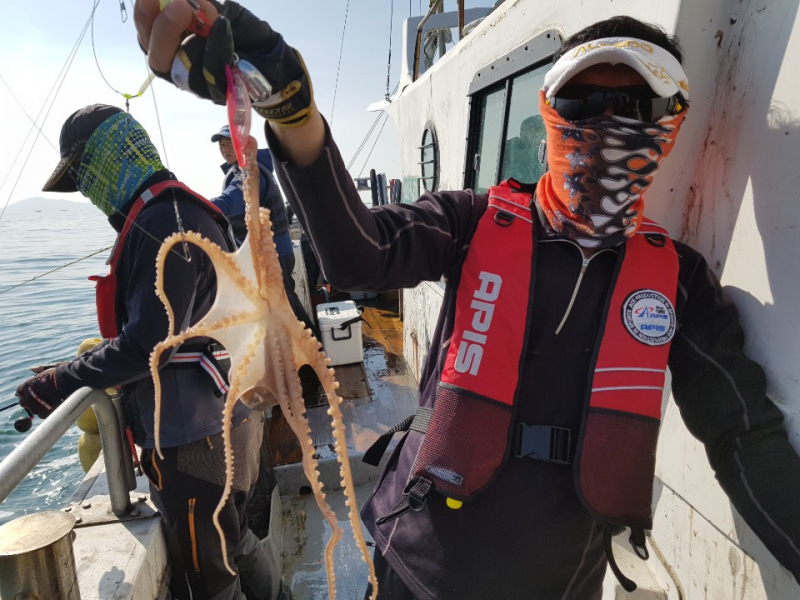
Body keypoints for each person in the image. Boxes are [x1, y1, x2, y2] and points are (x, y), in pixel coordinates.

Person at [137, 4, 800, 599]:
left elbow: (742, 433)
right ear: (549, 113)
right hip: (417, 558)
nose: (606, 125)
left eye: (634, 108)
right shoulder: (473, 220)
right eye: (584, 103)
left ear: (671, 124)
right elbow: (358, 253)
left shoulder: (677, 280)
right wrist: (289, 109)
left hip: (561, 582)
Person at [15, 104, 290, 600]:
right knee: (234, 538)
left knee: (213, 571)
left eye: (85, 175)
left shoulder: (166, 219)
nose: (88, 193)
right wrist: (68, 370)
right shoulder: (182, 209)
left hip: (196, 439)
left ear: (110, 159)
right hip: (228, 417)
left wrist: (57, 383)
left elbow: (148, 346)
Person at [209, 123, 318, 336]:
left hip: (272, 255)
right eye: (221, 145)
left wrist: (191, 205)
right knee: (284, 307)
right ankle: (308, 356)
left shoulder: (249, 171)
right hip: (269, 254)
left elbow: (230, 202)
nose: (224, 149)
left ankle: (317, 357)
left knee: (285, 310)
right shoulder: (246, 166)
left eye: (229, 142)